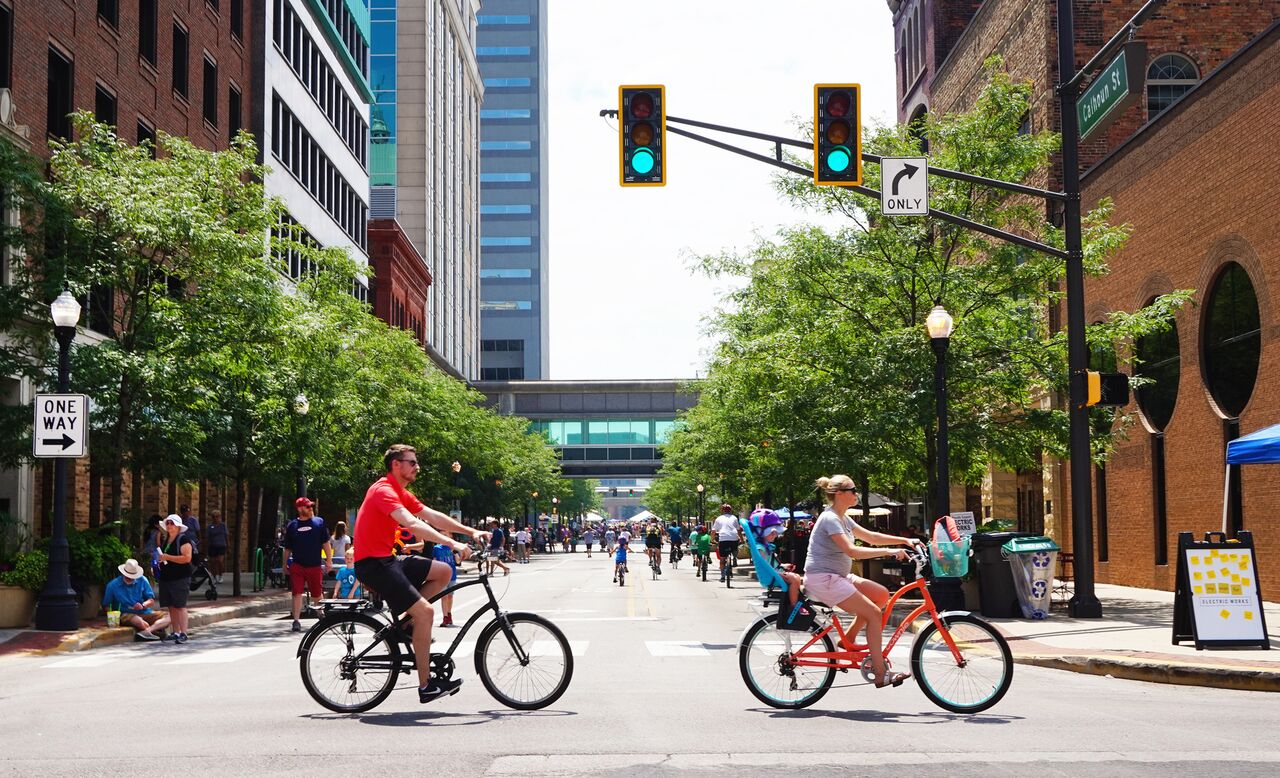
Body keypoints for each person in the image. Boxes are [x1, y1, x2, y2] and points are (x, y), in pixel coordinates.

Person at [352, 444, 486, 703]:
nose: (417, 467)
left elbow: (432, 516)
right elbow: (412, 524)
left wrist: (470, 532)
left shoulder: (400, 492)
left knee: (443, 571)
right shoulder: (383, 491)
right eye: (412, 462)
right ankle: (426, 686)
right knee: (426, 612)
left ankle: (406, 624)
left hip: (387, 559)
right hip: (373, 565)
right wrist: (452, 543)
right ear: (396, 465)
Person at [804, 475, 924, 689]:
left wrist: (904, 540)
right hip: (824, 579)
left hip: (837, 576)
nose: (856, 494)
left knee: (881, 595)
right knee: (874, 614)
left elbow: (871, 537)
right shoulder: (830, 518)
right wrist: (890, 551)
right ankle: (880, 673)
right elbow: (852, 551)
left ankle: (848, 639)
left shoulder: (842, 517)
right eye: (852, 490)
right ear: (839, 494)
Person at [284, 497, 333, 633]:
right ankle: (296, 620)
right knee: (297, 592)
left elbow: (326, 543)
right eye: (307, 506)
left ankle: (321, 615)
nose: (311, 508)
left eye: (311, 506)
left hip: (314, 565)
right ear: (299, 509)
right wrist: (284, 564)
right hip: (298, 565)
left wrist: (329, 561)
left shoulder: (319, 522)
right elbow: (287, 548)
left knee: (317, 593)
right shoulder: (292, 526)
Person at [102, 558, 171, 641]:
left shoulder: (142, 580)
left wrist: (143, 605)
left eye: (132, 576)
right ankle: (156, 632)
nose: (129, 577)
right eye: (128, 575)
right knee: (138, 621)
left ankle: (148, 631)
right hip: (125, 614)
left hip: (144, 612)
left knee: (171, 616)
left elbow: (151, 600)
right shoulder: (113, 585)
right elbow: (106, 605)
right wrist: (113, 617)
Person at [156, 514, 195, 643]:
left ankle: (184, 633)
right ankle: (176, 632)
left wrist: (168, 557)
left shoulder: (184, 540)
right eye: (167, 523)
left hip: (180, 577)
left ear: (178, 526)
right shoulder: (166, 540)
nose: (169, 525)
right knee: (171, 606)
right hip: (166, 577)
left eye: (172, 523)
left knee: (180, 606)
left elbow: (187, 558)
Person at [710, 504, 741, 582]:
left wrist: (712, 540)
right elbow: (738, 530)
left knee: (722, 559)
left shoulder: (719, 518)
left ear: (722, 510)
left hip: (723, 539)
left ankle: (722, 576)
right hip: (733, 537)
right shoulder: (734, 518)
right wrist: (742, 539)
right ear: (730, 510)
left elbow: (713, 531)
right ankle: (734, 557)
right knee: (735, 546)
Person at [432, 540, 459, 627]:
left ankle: (449, 613)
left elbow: (458, 561)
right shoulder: (436, 548)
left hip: (452, 575)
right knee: (444, 597)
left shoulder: (453, 547)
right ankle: (445, 618)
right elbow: (434, 560)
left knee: (450, 597)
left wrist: (455, 553)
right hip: (442, 576)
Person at [205, 510, 228, 584]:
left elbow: (226, 536)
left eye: (217, 517)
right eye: (214, 517)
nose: (215, 518)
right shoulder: (210, 527)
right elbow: (207, 538)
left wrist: (228, 546)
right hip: (213, 546)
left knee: (219, 561)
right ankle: (214, 576)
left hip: (221, 545)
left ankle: (220, 575)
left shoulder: (223, 526)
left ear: (220, 517)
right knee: (213, 562)